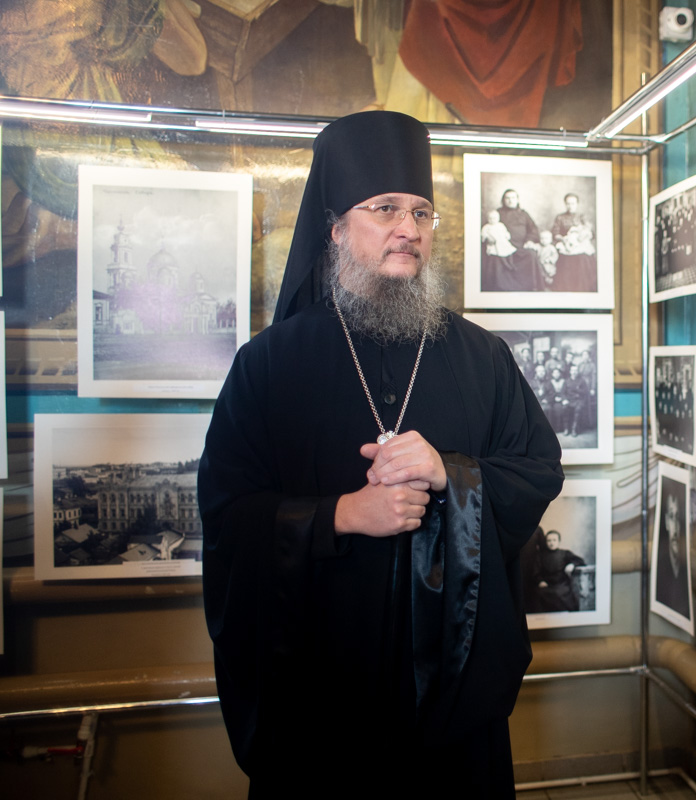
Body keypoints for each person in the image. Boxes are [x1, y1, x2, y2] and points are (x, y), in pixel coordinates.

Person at [199, 111, 564, 796]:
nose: (410, 229)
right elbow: (227, 515)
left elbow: (538, 470)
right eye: (386, 208)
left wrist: (451, 473)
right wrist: (340, 515)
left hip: (450, 696)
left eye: (422, 213)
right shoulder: (270, 365)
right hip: (320, 697)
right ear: (335, 229)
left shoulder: (482, 357)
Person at [654, 482, 691, 618]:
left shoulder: (685, 568)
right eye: (671, 517)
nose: (674, 527)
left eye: (677, 517)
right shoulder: (661, 570)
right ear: (666, 521)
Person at [528, 529, 587, 612]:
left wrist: (572, 564)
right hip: (547, 584)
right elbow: (536, 572)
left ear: (559, 541)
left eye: (554, 540)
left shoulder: (565, 553)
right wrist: (540, 581)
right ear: (546, 542)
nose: (551, 543)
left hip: (561, 584)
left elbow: (580, 561)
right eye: (549, 540)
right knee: (538, 595)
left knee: (561, 593)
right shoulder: (540, 555)